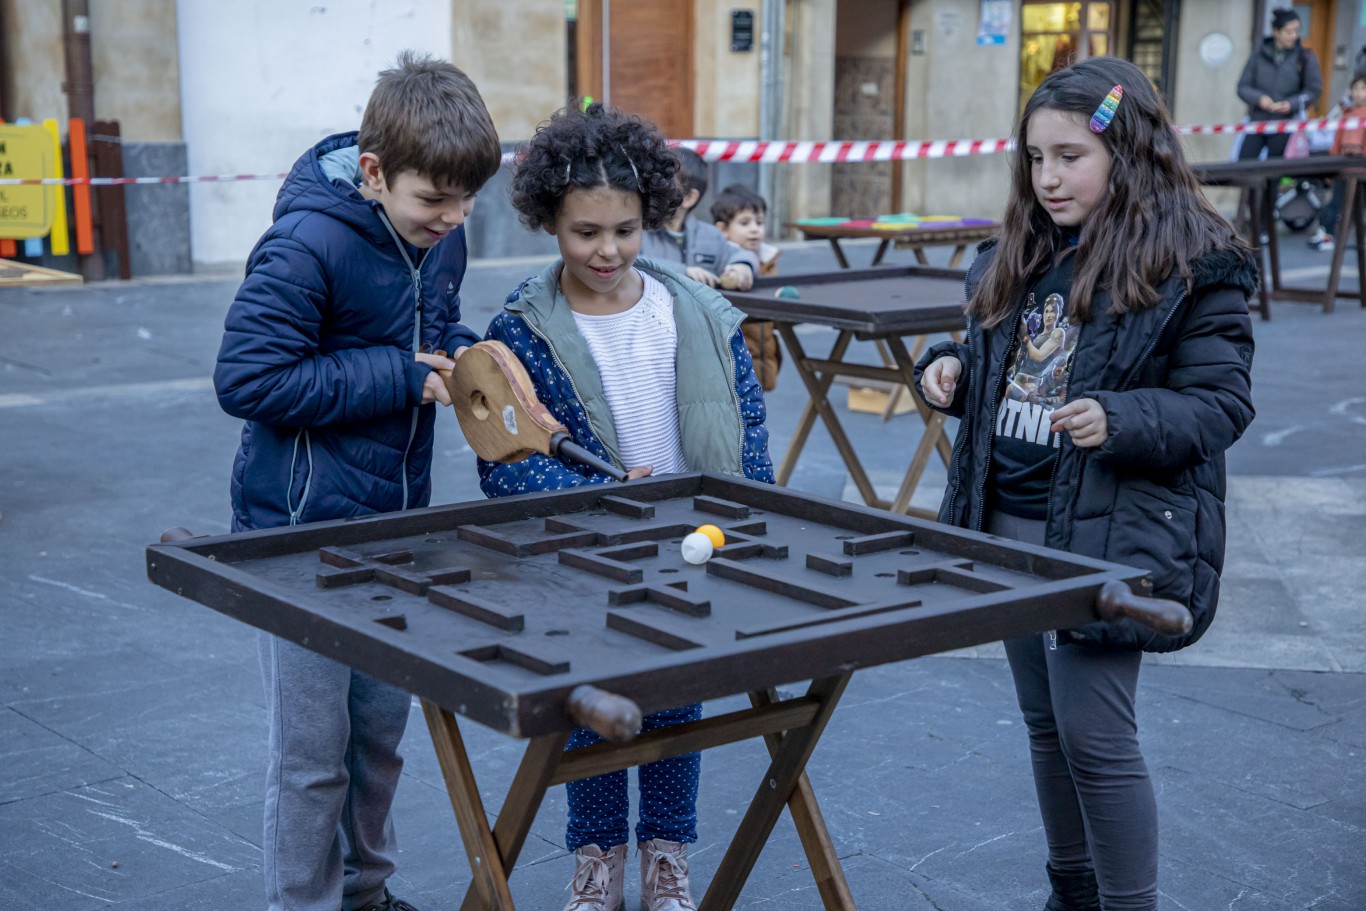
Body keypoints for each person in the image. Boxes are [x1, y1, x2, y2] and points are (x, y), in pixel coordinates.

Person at [913, 57, 1256, 911]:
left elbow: (1220, 404)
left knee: (1097, 736)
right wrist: (947, 367)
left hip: (1109, 533)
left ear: (1127, 152)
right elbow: (992, 356)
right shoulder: (1015, 253)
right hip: (1005, 522)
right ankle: (1071, 893)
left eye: (1071, 156)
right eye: (1035, 157)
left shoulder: (1195, 264)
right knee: (1043, 725)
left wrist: (1121, 418)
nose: (1048, 177)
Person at [213, 52, 501, 911]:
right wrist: (400, 376)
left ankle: (367, 896)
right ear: (374, 173)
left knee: (378, 736)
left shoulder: (436, 230)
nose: (451, 220)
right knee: (311, 755)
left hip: (393, 528)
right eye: (433, 204)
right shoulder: (307, 242)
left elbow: (433, 325)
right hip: (296, 535)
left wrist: (473, 357)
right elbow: (248, 380)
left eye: (465, 203)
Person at [480, 101, 773, 911]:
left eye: (625, 229)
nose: (606, 249)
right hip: (583, 552)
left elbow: (747, 421)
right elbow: (504, 466)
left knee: (679, 703)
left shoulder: (699, 312)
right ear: (549, 222)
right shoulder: (524, 329)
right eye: (585, 232)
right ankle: (597, 859)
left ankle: (667, 855)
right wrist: (593, 493)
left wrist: (754, 510)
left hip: (693, 542)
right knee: (589, 711)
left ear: (652, 217)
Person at [641, 147, 759, 291]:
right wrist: (682, 272)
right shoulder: (637, 231)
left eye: (665, 184)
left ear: (689, 198)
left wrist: (742, 266)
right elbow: (632, 263)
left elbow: (740, 254)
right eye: (654, 181)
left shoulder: (711, 236)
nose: (654, 188)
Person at [711, 183, 782, 390]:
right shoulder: (722, 264)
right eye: (745, 222)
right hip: (731, 360)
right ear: (722, 230)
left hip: (764, 352)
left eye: (759, 222)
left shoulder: (767, 259)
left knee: (756, 409)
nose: (754, 228)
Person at [1236, 7, 1321, 160]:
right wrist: (1259, 98)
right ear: (1276, 32)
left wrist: (1291, 104)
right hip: (1257, 122)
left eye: (1296, 31)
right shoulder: (1258, 55)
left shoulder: (1305, 57)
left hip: (1286, 125)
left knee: (1276, 173)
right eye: (1289, 32)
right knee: (1244, 166)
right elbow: (1242, 87)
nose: (1294, 36)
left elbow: (1313, 91)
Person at [1307, 73, 1366, 251]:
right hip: (1344, 168)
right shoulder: (1345, 115)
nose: (1359, 93)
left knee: (1359, 207)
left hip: (1362, 170)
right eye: (1355, 89)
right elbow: (1336, 142)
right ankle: (1327, 234)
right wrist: (1332, 165)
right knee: (1335, 202)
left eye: (1363, 89)